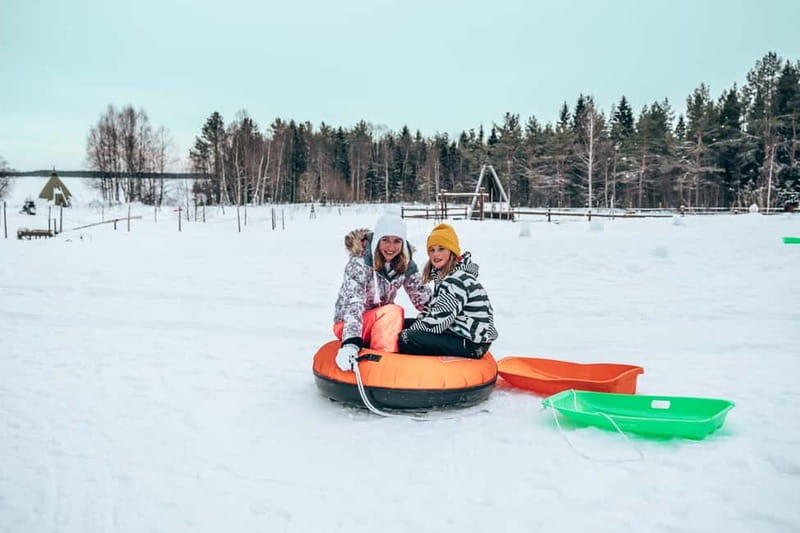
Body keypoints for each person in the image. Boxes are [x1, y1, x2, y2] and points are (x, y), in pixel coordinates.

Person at [333, 213, 432, 371]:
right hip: (348, 325)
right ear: (378, 239)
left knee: (412, 324)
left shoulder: (404, 262)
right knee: (393, 311)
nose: (391, 247)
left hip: (381, 323)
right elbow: (354, 302)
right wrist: (351, 342)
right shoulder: (360, 263)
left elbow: (422, 297)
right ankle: (382, 368)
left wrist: (448, 317)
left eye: (397, 241)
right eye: (385, 240)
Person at [398, 223, 498, 358]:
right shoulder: (446, 277)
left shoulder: (456, 280)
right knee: (402, 324)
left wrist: (410, 332)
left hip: (471, 343)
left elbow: (440, 321)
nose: (435, 254)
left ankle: (421, 366)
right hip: (457, 332)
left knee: (406, 337)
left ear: (452, 251)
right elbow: (433, 310)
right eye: (432, 250)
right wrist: (413, 324)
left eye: (441, 249)